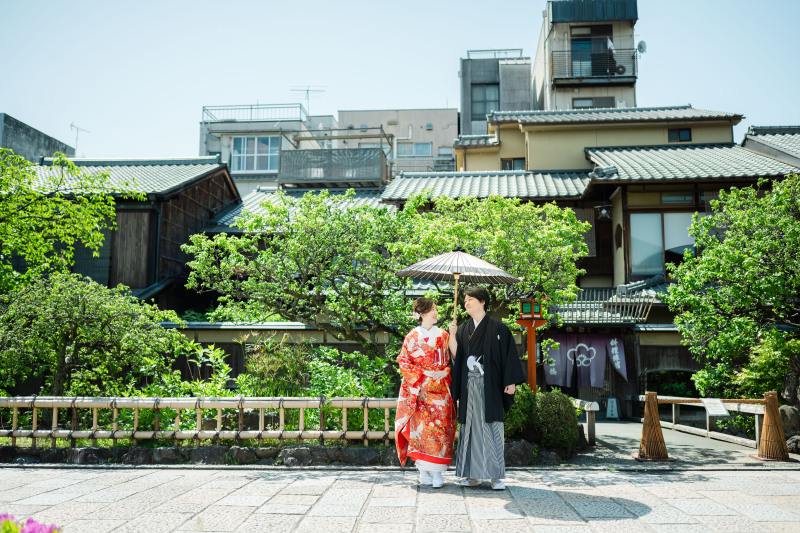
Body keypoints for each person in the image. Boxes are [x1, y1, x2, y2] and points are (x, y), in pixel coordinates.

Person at [448, 285, 525, 490]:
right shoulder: (462, 329)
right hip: (468, 386)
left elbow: (508, 355)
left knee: (492, 427)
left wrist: (510, 382)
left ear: (482, 302)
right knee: (470, 428)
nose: (466, 303)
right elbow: (457, 356)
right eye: (465, 300)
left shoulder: (499, 328)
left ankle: (495, 477)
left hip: (490, 386)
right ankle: (472, 475)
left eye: (470, 300)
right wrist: (452, 336)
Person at [395, 297, 457, 488]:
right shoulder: (412, 337)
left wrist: (445, 371)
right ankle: (423, 472)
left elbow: (451, 361)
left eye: (436, 309)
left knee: (441, 431)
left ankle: (437, 473)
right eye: (432, 309)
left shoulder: (444, 335)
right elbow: (403, 361)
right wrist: (423, 373)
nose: (436, 312)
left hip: (441, 391)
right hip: (420, 392)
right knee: (421, 433)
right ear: (421, 314)